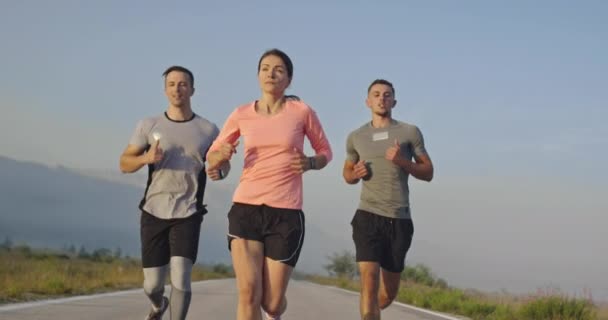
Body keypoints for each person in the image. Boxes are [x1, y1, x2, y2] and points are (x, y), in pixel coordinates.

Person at [206, 48, 332, 320]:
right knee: (248, 293)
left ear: (288, 79)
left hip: (285, 213)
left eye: (278, 69)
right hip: (246, 208)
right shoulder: (241, 114)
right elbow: (214, 157)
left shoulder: (301, 112)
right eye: (265, 68)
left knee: (272, 303)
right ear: (257, 75)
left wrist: (310, 163)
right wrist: (220, 162)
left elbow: (325, 152)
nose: (271, 73)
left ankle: (275, 313)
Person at [119, 65, 229, 320]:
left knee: (181, 275)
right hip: (153, 210)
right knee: (152, 285)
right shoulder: (149, 125)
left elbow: (222, 164)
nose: (177, 89)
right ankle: (158, 306)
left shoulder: (208, 129)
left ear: (192, 89)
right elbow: (124, 163)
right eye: (171, 84)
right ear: (165, 90)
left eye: (183, 84)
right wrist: (146, 157)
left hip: (188, 211)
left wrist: (219, 171)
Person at [342, 79, 434, 320]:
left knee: (387, 294)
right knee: (369, 281)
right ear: (368, 101)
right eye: (376, 94)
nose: (381, 98)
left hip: (399, 219)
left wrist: (402, 162)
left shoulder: (409, 132)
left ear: (394, 101)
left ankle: (373, 311)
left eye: (387, 95)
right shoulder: (356, 137)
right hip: (367, 216)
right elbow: (347, 174)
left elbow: (429, 172)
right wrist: (355, 174)